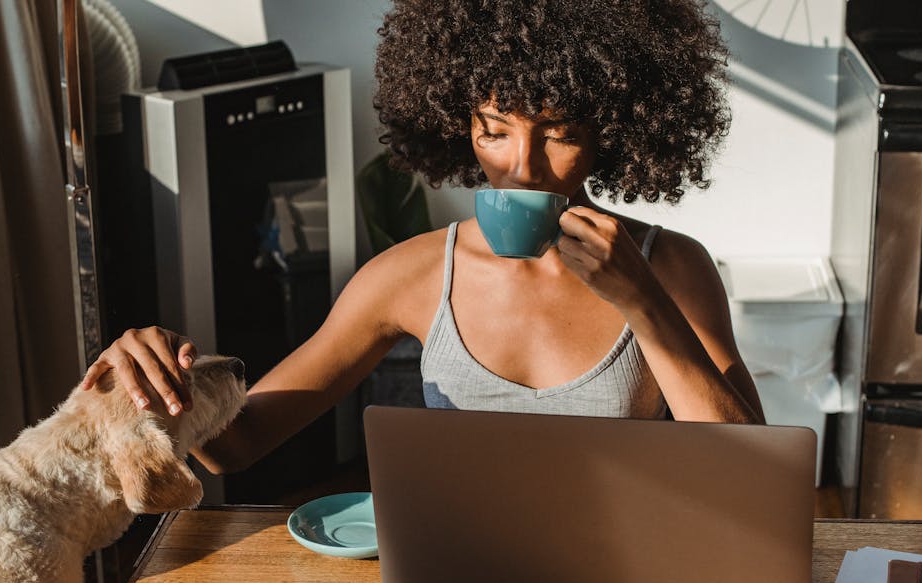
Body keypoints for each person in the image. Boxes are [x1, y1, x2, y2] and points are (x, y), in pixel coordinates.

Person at [81, 0, 764, 475]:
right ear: (457, 122)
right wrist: (161, 374)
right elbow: (241, 442)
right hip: (458, 576)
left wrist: (644, 304)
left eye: (560, 134)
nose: (520, 168)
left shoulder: (668, 267)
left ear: (612, 134)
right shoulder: (408, 276)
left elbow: (750, 469)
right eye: (494, 130)